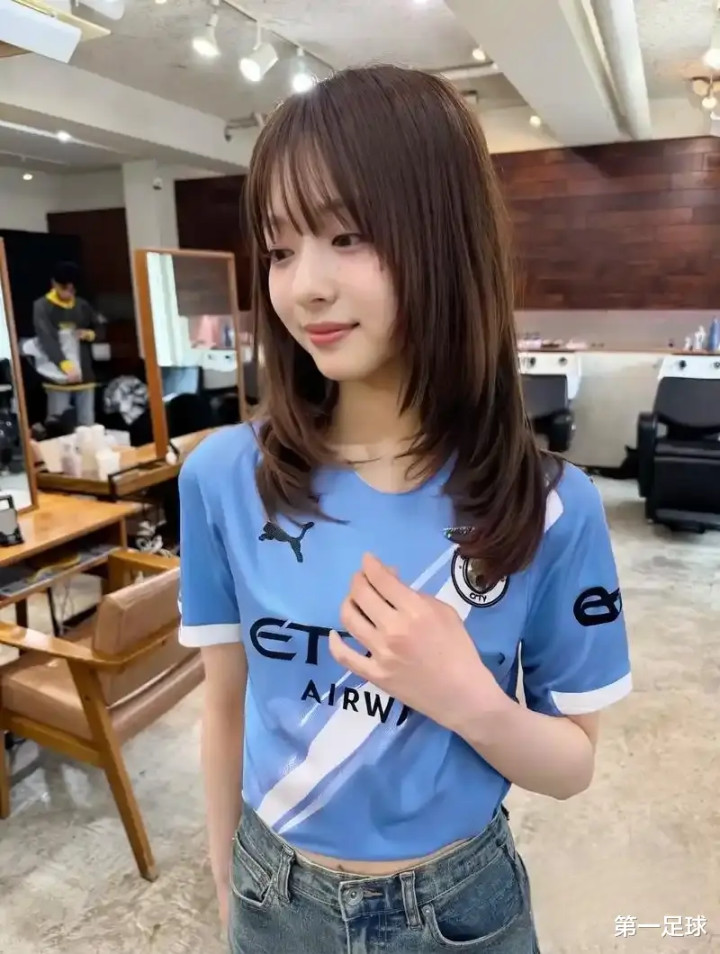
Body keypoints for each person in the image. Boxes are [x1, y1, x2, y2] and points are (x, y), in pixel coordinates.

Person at [178, 65, 632, 954]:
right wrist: (227, 874)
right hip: (275, 894)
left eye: (347, 235)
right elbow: (225, 703)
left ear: (445, 239)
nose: (304, 286)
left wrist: (470, 701)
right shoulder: (224, 476)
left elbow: (572, 765)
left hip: (459, 911)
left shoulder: (549, 506)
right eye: (280, 249)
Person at [32, 261, 100, 427]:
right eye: (64, 289)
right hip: (57, 376)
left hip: (84, 375)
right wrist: (66, 366)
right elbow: (47, 339)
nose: (68, 293)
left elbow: (99, 327)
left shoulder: (82, 305)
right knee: (58, 425)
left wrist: (90, 334)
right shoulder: (42, 306)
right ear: (54, 283)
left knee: (87, 426)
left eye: (72, 290)